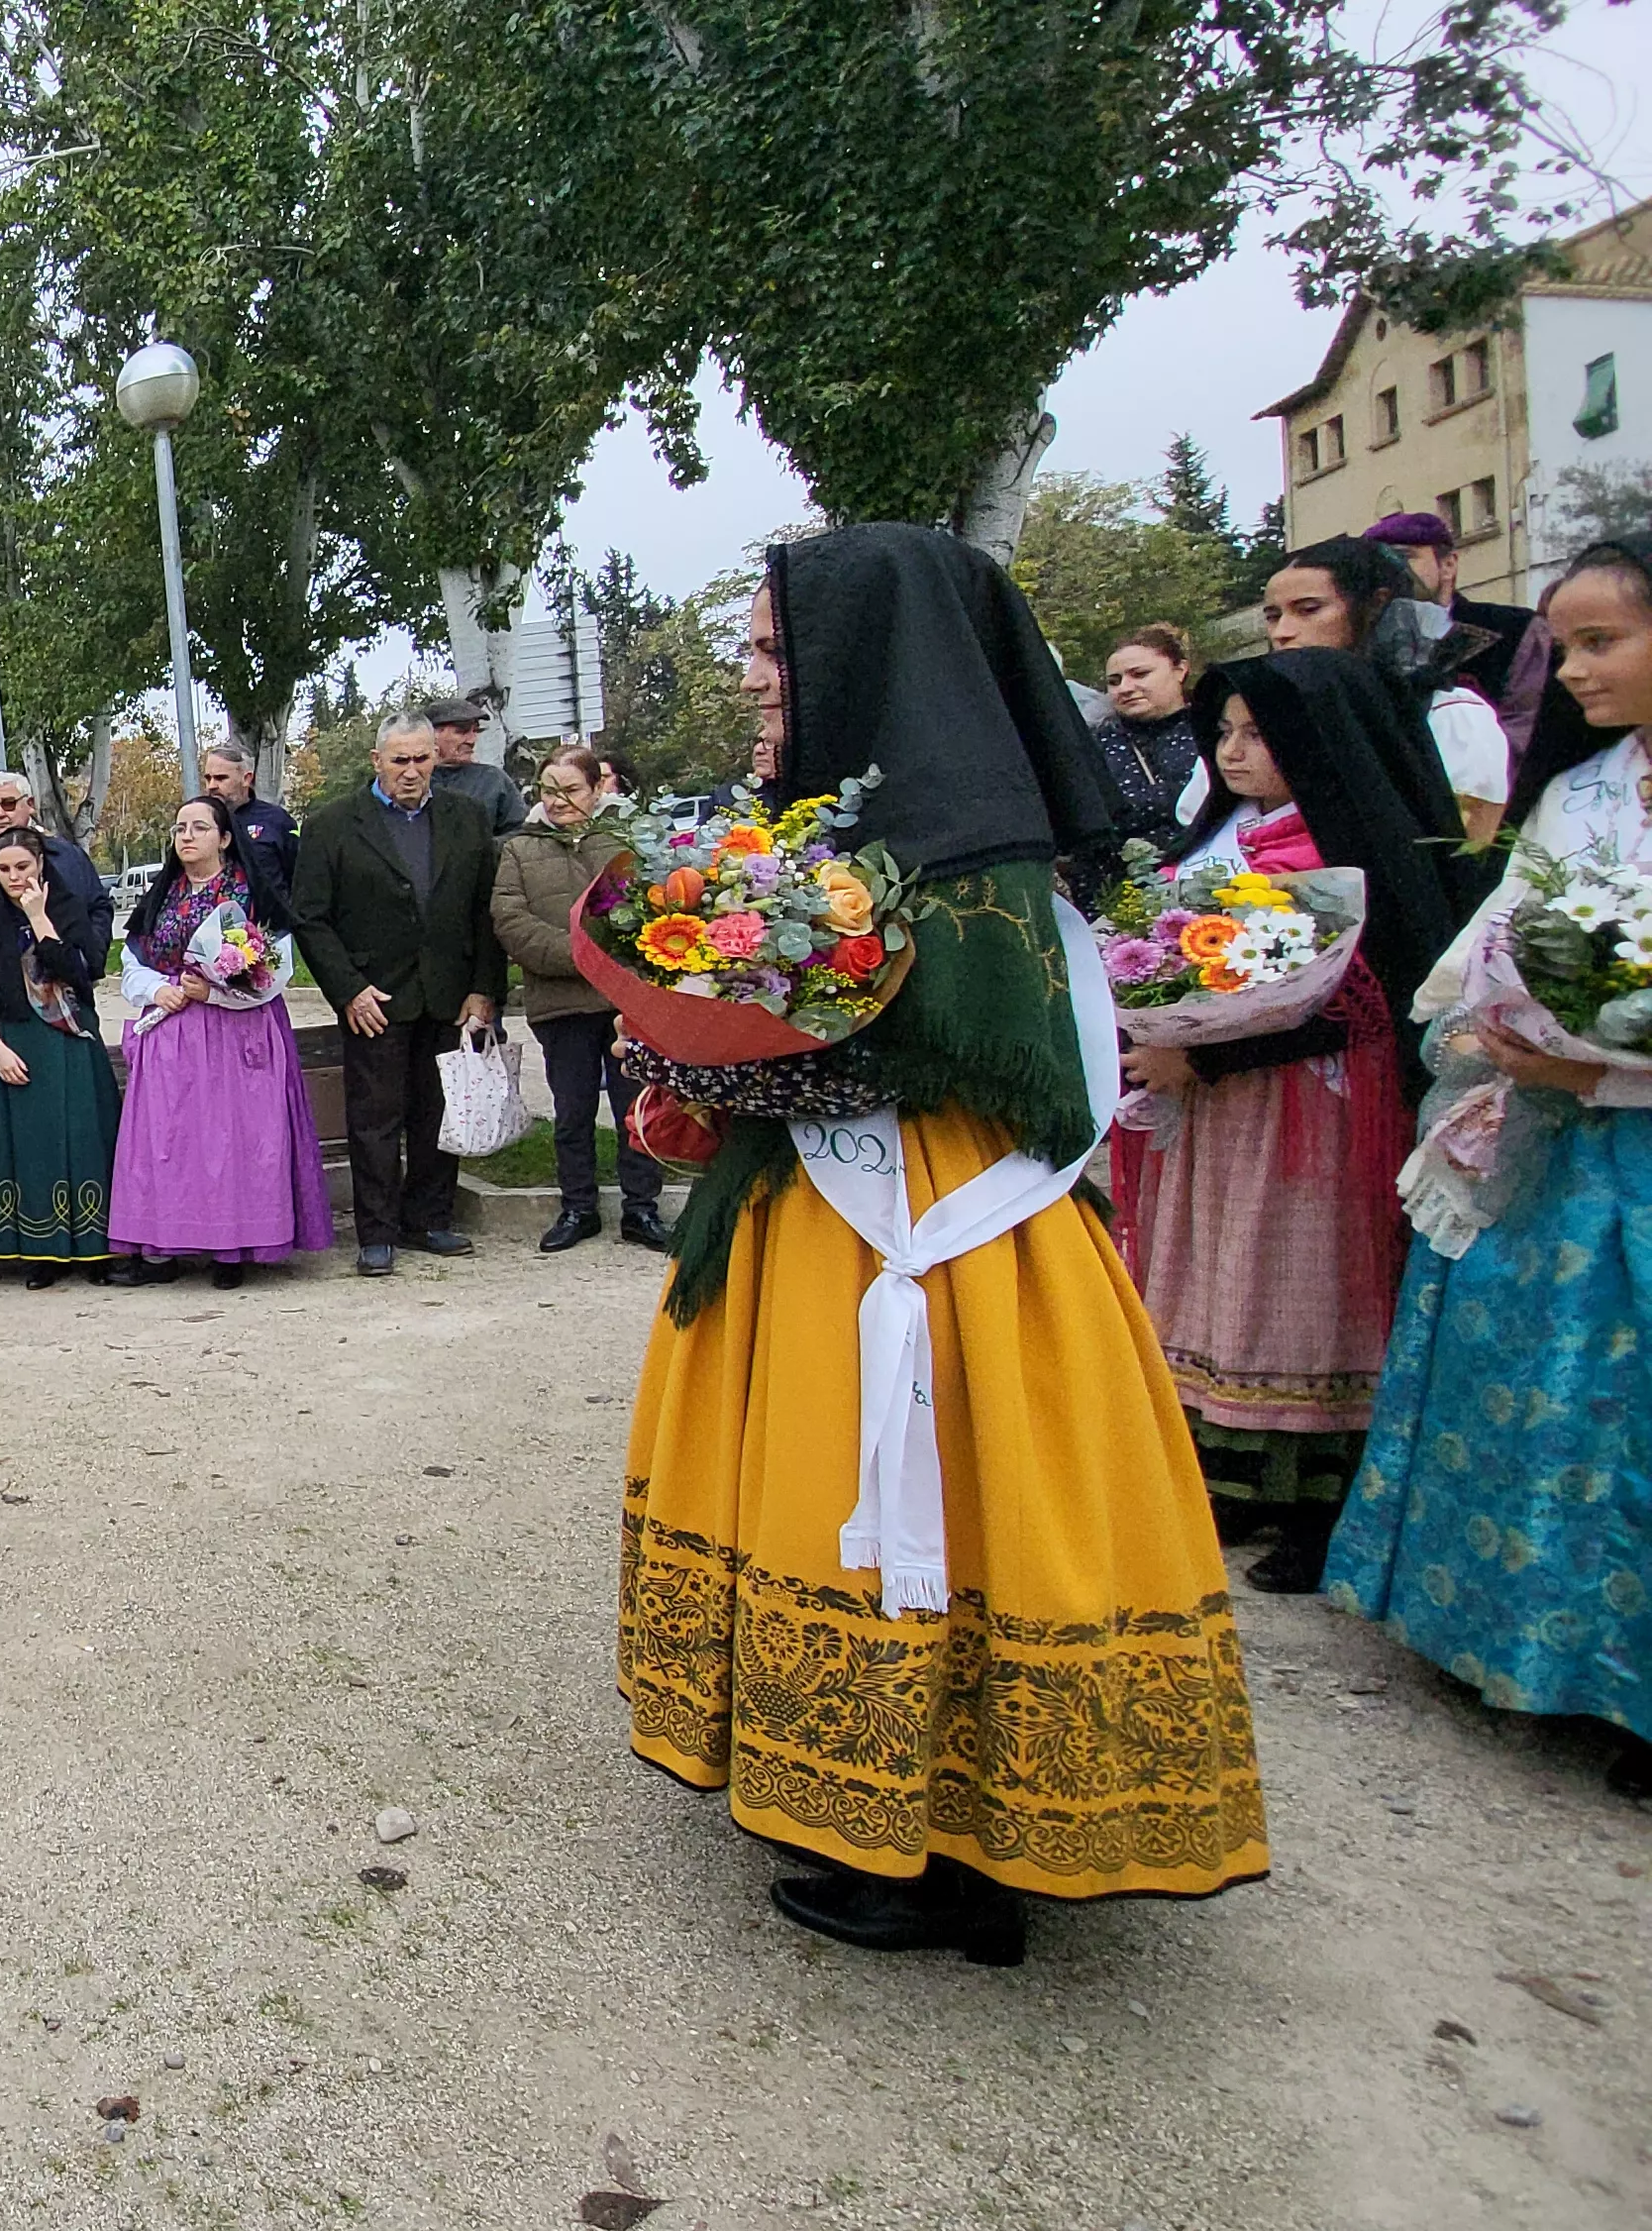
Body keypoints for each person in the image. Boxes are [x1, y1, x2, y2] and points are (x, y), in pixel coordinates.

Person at [621, 523, 1270, 1965]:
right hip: (841, 1224)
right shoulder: (830, 839)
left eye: (778, 652)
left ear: (870, 659)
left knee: (939, 1498)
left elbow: (955, 1056)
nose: (755, 678)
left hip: (940, 1237)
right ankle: (901, 1809)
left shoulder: (972, 854)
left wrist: (723, 1065)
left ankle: (942, 1845)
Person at [1325, 536, 1652, 1797]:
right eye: (1561, 647)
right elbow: (1506, 929)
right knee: (1528, 1373)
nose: (1571, 672)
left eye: (1601, 641)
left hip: (1617, 1127)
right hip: (1556, 1137)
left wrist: (1615, 1067)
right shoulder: (1578, 792)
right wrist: (1505, 1026)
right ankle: (1509, 1636)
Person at [1110, 651, 1456, 1594]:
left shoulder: (1351, 845)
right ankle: (1241, 1473)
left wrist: (1210, 1051)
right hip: (1216, 1103)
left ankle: (1321, 1497)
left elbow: (1374, 997)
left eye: (1257, 733)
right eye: (1222, 731)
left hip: (1314, 1104)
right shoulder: (1224, 843)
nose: (1233, 751)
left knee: (1304, 1287)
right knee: (1224, 1277)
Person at [295, 712, 507, 1276]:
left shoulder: (467, 819)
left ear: (434, 759)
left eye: (421, 759)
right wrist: (348, 990)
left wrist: (485, 989)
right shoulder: (332, 826)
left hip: (449, 991)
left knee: (439, 1110)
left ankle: (430, 1220)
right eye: (399, 761)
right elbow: (311, 920)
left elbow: (487, 912)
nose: (411, 772)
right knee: (376, 1117)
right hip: (374, 996)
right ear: (377, 762)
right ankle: (378, 1232)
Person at [105, 796, 338, 1284]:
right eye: (179, 828)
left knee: (233, 1142)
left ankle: (234, 1249)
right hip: (173, 1036)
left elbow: (276, 965)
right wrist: (159, 988)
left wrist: (216, 990)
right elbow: (132, 962)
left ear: (225, 838)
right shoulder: (162, 897)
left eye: (199, 827)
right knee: (169, 1142)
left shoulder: (252, 897)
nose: (186, 836)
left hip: (239, 1034)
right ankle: (163, 1251)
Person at [492, 746, 669, 1254]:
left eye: (571, 790)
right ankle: (577, 1208)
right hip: (560, 1005)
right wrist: (581, 956)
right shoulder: (519, 850)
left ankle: (642, 1209)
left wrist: (610, 958)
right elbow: (511, 920)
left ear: (597, 789)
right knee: (572, 1111)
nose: (560, 800)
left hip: (625, 1004)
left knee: (636, 1107)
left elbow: (651, 909)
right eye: (550, 790)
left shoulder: (624, 841)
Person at [1261, 533, 1513, 845]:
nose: (1282, 633)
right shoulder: (1260, 716)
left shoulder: (1448, 716)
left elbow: (1468, 851)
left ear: (1375, 606)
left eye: (1308, 609)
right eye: (1273, 617)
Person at [0, 828, 123, 1285]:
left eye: (22, 867)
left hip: (66, 1042)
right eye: (3, 869)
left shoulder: (65, 909)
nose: (13, 877)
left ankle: (92, 1247)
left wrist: (39, 917)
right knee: (25, 1151)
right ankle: (40, 1252)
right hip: (6, 1046)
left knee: (82, 1139)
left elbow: (81, 971)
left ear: (41, 865)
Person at [1365, 506, 1554, 758]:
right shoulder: (1361, 642)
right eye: (1374, 562)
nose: (1387, 571)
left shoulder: (1513, 630)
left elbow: (1527, 729)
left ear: (1448, 565)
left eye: (1403, 556)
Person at [0, 769, 114, 1018]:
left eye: (8, 803)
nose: (0, 813)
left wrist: (90, 958)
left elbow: (99, 908)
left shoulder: (67, 857)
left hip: (68, 1001)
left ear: (30, 805)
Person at [1088, 624, 1207, 861]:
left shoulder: (1217, 730)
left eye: (1140, 674)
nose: (1125, 688)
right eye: (1114, 681)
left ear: (1180, 670)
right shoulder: (1092, 746)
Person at [199, 737, 300, 888]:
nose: (212, 786)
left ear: (246, 779)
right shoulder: (197, 824)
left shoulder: (277, 820)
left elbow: (299, 876)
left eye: (221, 778)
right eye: (208, 778)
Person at [423, 697, 524, 833]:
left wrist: (486, 848)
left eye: (476, 731)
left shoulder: (492, 780)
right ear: (432, 734)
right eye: (462, 731)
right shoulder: (412, 779)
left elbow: (520, 831)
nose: (472, 740)